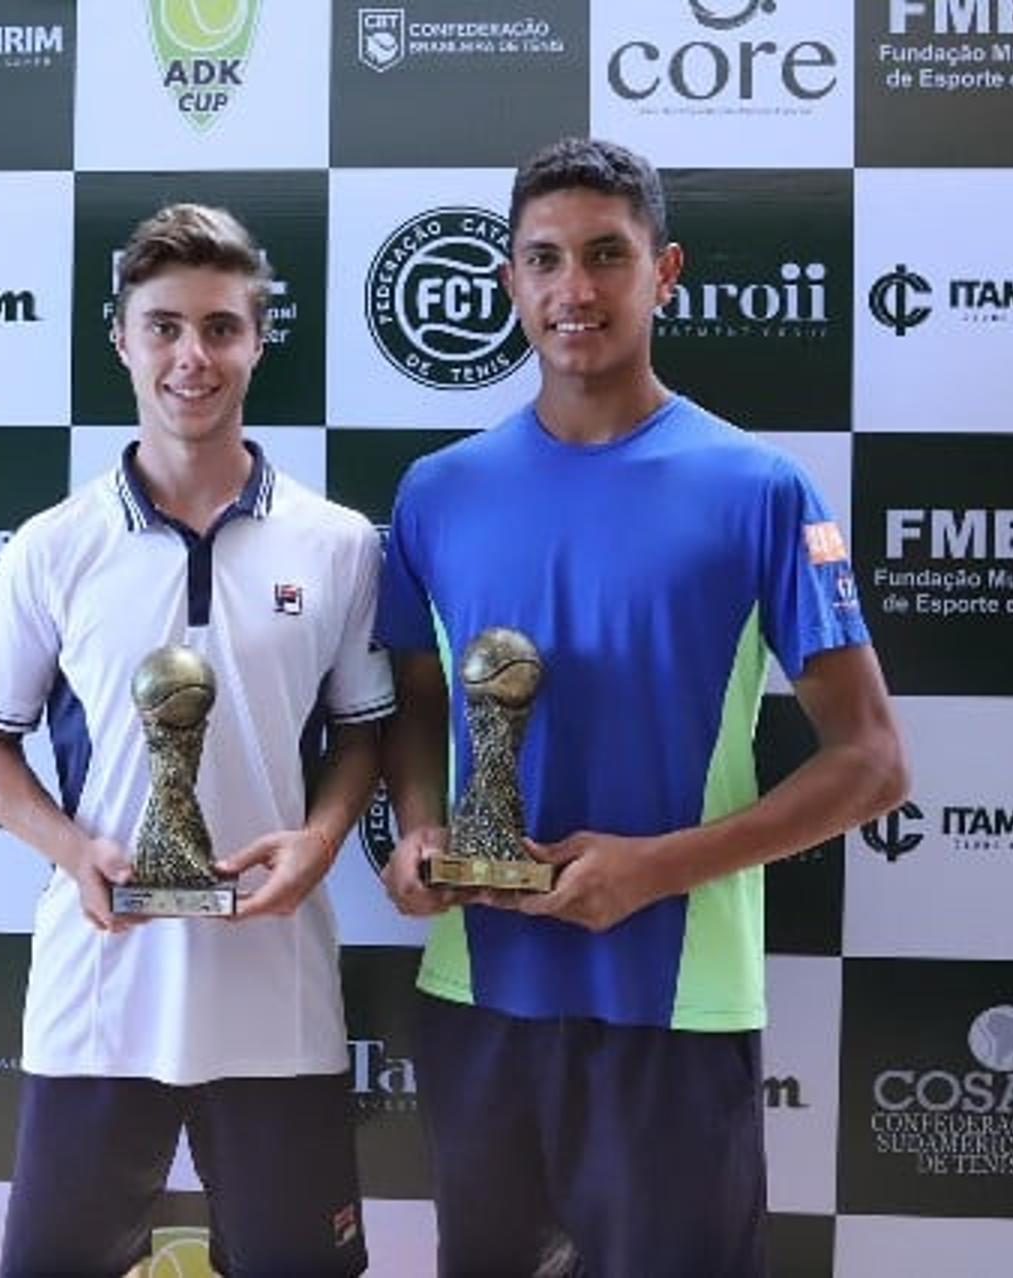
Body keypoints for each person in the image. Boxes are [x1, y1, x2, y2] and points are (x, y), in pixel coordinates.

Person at [375, 138, 909, 1276]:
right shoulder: (437, 492)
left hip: (675, 1008)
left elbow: (871, 763)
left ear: (664, 273)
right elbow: (412, 705)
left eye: (607, 256)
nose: (576, 291)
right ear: (510, 281)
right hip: (480, 993)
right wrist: (421, 825)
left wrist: (655, 869)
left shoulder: (759, 489)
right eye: (546, 260)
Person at [0, 203, 390, 1278]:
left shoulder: (337, 545)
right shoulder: (52, 548)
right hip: (99, 991)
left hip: (275, 990)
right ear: (121, 338)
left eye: (221, 327)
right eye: (164, 327)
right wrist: (74, 851)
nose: (192, 357)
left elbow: (365, 740)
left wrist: (323, 842)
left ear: (257, 340)